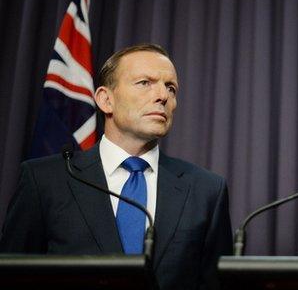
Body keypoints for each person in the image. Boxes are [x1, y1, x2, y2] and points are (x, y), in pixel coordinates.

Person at [0, 44, 232, 289]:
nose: (163, 95)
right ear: (105, 100)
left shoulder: (205, 190)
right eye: (145, 83)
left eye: (170, 88)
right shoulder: (45, 180)